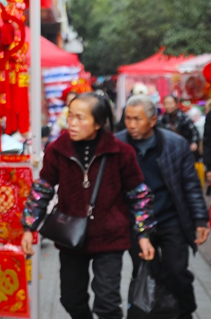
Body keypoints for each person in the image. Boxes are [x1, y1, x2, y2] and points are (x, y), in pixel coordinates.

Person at [21, 92, 155, 319]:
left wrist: (143, 234)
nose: (72, 123)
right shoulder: (57, 149)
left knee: (108, 303)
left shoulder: (120, 152)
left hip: (110, 236)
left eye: (80, 118)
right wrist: (28, 227)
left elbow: (138, 195)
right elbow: (42, 188)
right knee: (70, 299)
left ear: (98, 123)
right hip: (71, 235)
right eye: (70, 116)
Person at [116, 96, 209, 319]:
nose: (131, 125)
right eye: (128, 118)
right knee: (146, 272)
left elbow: (191, 185)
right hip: (136, 223)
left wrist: (199, 220)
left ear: (153, 120)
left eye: (137, 119)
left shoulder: (175, 145)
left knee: (176, 272)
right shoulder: (118, 145)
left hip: (170, 218)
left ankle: (185, 311)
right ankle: (153, 313)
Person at [159, 94, 201, 160]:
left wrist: (194, 142)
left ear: (176, 104)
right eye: (165, 104)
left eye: (170, 103)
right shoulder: (161, 120)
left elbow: (194, 131)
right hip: (169, 152)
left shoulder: (184, 118)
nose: (167, 106)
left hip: (185, 149)